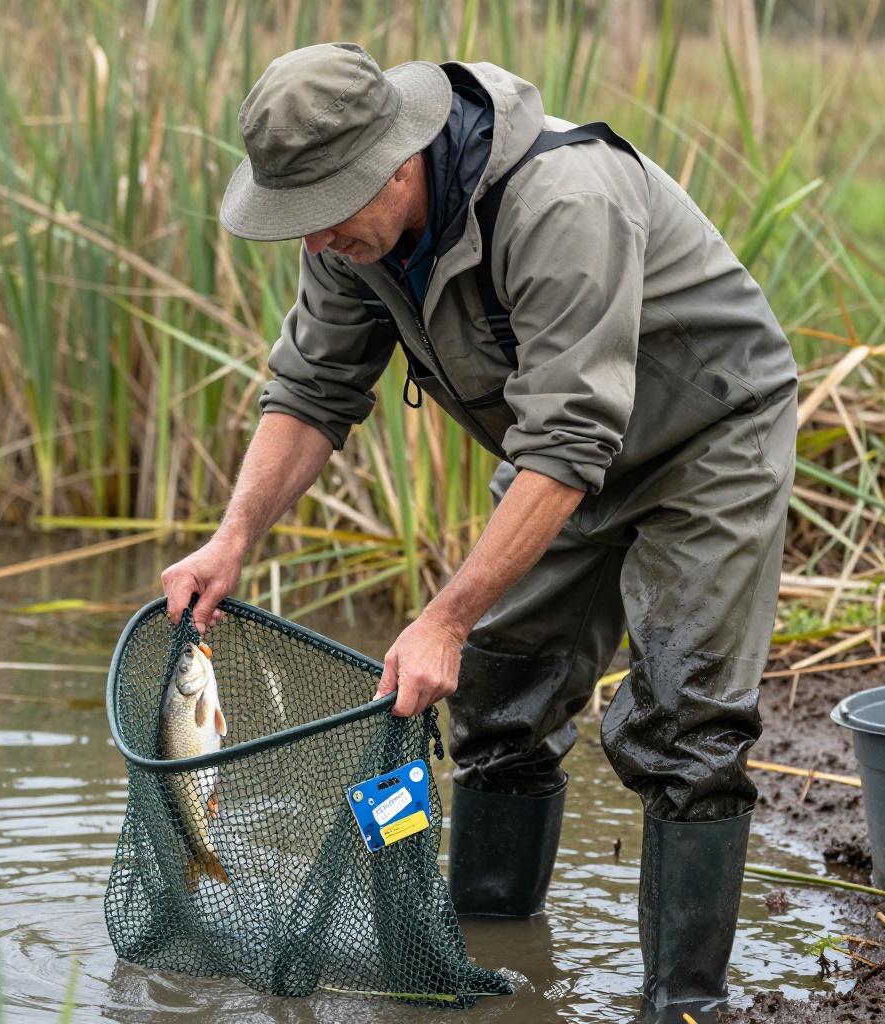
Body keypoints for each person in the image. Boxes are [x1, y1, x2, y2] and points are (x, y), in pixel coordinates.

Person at [160, 42, 797, 1021]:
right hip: (562, 452)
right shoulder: (350, 237)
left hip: (704, 437)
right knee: (496, 708)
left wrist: (446, 614)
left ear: (399, 157)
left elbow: (570, 440)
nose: (316, 238)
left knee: (687, 726)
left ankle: (685, 1004)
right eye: (299, 217)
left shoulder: (559, 200)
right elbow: (311, 388)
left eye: (327, 208)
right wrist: (233, 534)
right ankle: (500, 966)